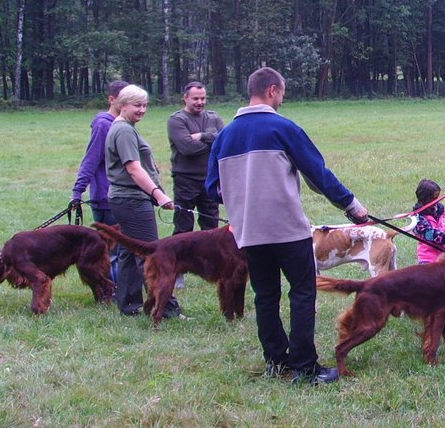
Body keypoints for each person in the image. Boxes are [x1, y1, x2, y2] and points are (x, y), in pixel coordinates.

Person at [206, 67, 368, 385]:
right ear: (272, 90)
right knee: (303, 293)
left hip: (249, 232)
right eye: (282, 92)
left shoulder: (224, 137)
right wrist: (352, 206)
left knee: (265, 296)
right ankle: (305, 368)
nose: (282, 98)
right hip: (287, 230)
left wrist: (245, 197)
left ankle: (276, 362)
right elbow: (318, 174)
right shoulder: (283, 128)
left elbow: (213, 189)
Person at [105, 84, 178, 318]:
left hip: (124, 199)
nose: (142, 110)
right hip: (132, 200)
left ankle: (128, 304)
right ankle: (167, 309)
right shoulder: (124, 131)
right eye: (137, 105)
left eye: (145, 105)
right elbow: (134, 169)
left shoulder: (124, 127)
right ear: (122, 105)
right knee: (151, 253)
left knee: (129, 251)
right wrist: (158, 194)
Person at [70, 79, 128, 277]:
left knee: (122, 248)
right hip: (106, 197)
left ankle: (118, 288)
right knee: (112, 251)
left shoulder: (122, 124)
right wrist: (77, 192)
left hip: (121, 195)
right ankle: (113, 289)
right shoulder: (103, 125)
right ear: (111, 99)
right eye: (123, 99)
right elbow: (91, 159)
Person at [167, 81, 225, 235]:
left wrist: (201, 136)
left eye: (203, 98)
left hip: (210, 179)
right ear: (185, 98)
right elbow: (187, 148)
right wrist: (213, 142)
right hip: (186, 181)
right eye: (195, 99)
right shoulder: (177, 120)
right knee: (183, 227)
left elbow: (225, 140)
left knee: (212, 227)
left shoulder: (213, 117)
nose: (200, 102)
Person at [412, 179, 445, 264]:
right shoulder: (417, 219)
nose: (437, 201)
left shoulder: (442, 210)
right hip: (428, 260)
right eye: (434, 198)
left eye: (437, 197)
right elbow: (436, 237)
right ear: (425, 198)